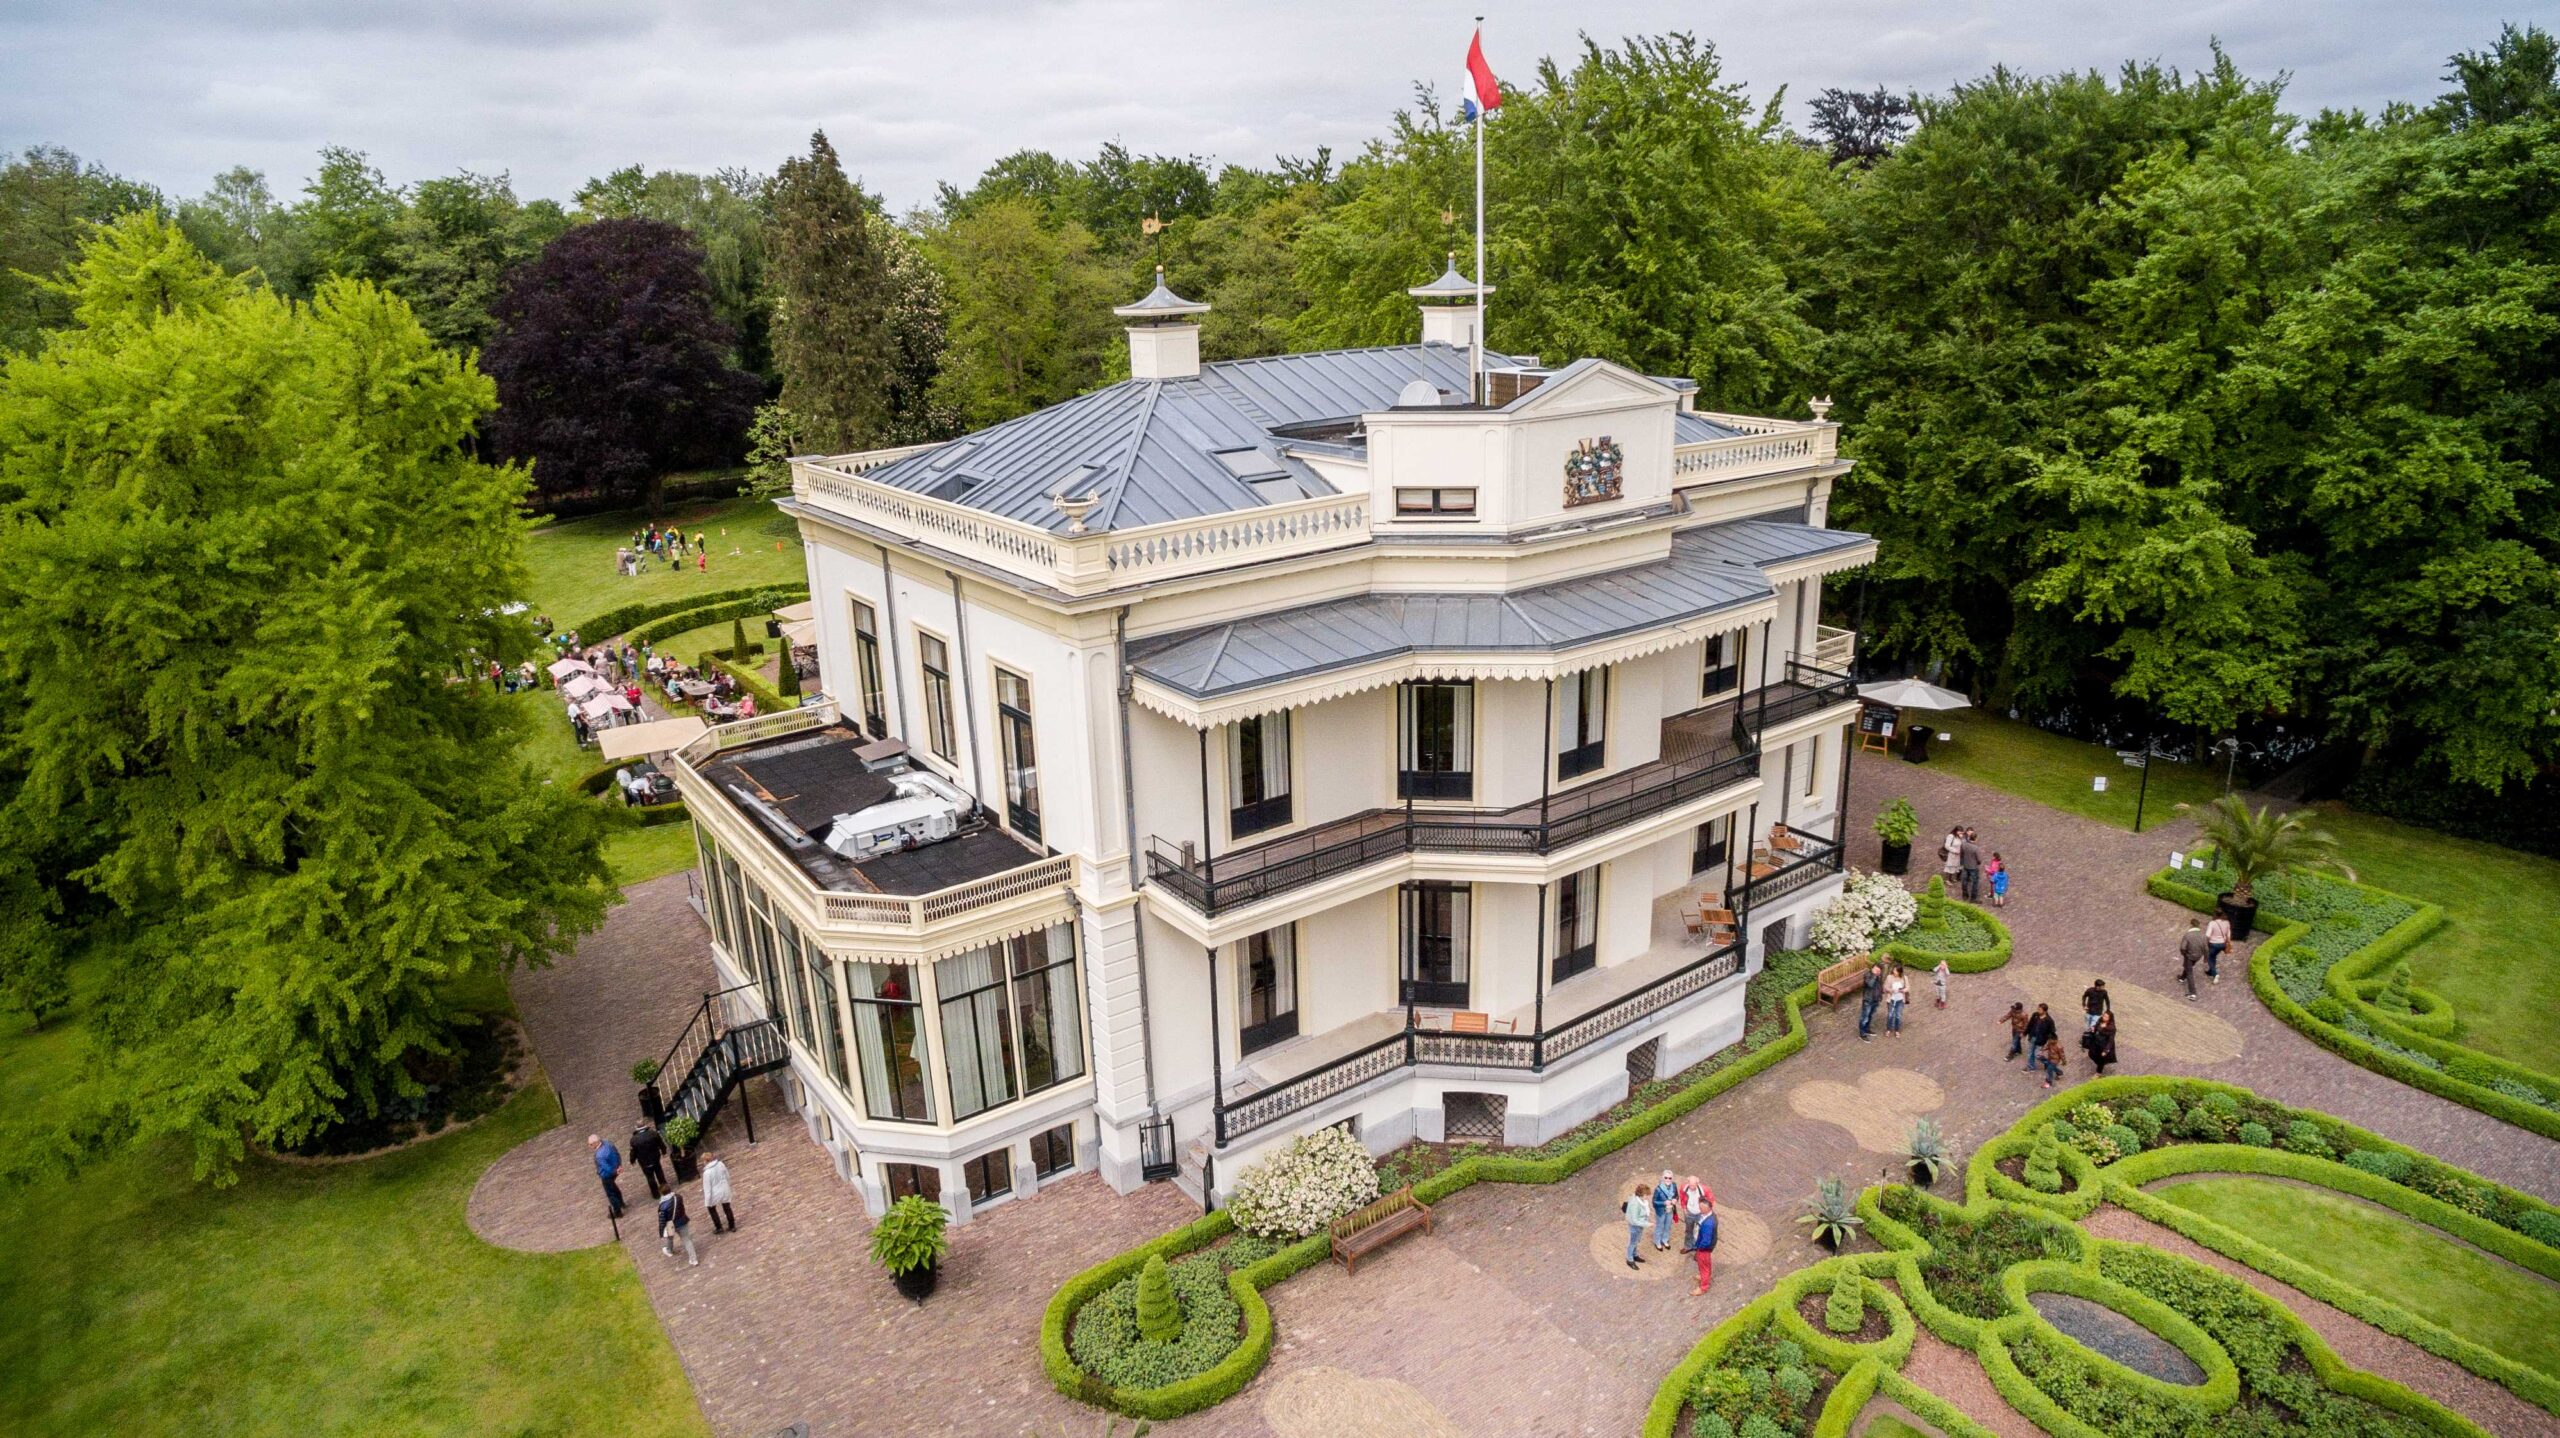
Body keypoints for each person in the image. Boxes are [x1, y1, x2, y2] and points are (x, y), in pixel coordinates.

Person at [1690, 1186, 1719, 1295]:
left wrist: (1699, 1248)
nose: (1699, 1209)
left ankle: (1703, 1287)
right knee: (1705, 1265)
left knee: (1704, 1266)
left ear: (1708, 1208)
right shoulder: (1709, 1216)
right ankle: (1704, 1277)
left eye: (1701, 1208)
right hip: (1704, 1246)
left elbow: (1706, 1241)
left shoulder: (1708, 1223)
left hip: (1704, 1248)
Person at [589, 1134, 626, 1218]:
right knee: (614, 1188)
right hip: (615, 1169)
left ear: (596, 1143)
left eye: (591, 1144)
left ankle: (617, 1212)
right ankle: (621, 1203)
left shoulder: (599, 1155)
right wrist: (619, 1165)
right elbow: (617, 1153)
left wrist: (614, 1171)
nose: (590, 1146)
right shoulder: (608, 1143)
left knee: (611, 1194)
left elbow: (606, 1167)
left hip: (607, 1175)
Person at [629, 1121, 668, 1199]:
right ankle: (665, 1190)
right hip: (655, 1158)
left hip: (644, 1162)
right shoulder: (653, 1133)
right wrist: (664, 1151)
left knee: (650, 1178)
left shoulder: (634, 1139)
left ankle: (656, 1194)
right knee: (659, 1173)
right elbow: (661, 1143)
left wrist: (632, 1160)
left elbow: (633, 1152)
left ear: (636, 1128)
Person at [658, 1190, 699, 1266]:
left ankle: (669, 1250)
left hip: (671, 1225)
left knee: (669, 1238)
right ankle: (694, 1260)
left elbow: (662, 1220)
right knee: (687, 1240)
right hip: (682, 1222)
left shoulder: (662, 1205)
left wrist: (661, 1233)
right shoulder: (678, 1197)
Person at [702, 1155, 737, 1233]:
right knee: (727, 1207)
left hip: (715, 1192)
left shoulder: (707, 1173)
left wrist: (707, 1200)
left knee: (712, 1209)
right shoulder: (721, 1164)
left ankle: (718, 1227)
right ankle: (732, 1225)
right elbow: (727, 1176)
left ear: (706, 1161)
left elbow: (707, 1188)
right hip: (724, 1188)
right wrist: (728, 1185)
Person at [1622, 1184, 1652, 1269]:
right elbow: (1635, 1220)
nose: (1647, 1197)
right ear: (1642, 1195)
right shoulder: (1635, 1204)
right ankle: (1630, 1259)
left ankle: (1634, 1255)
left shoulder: (1638, 1199)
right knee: (1632, 1242)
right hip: (1635, 1226)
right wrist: (1647, 1224)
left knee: (1635, 1241)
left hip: (1639, 1225)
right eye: (1646, 1195)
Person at [2023, 1004, 2058, 1073]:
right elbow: (2030, 1025)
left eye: (2039, 1009)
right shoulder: (2035, 1015)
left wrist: (2052, 1041)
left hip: (2041, 1040)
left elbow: (2052, 1032)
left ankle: (2047, 1063)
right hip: (2032, 1037)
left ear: (2044, 1011)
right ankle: (2031, 1067)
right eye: (2038, 1009)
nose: (2037, 1010)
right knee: (2030, 1053)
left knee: (2037, 1055)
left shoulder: (2049, 1021)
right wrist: (2025, 1033)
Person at [2177, 921, 2208, 1000]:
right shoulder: (2203, 936)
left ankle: (2193, 993)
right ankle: (2182, 978)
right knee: (2188, 966)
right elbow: (2206, 948)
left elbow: (2182, 948)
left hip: (2189, 956)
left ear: (2191, 925)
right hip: (2198, 956)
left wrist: (2184, 954)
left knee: (2190, 972)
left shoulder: (2187, 935)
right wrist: (2205, 958)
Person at [1678, 1174, 1709, 1252]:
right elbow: (1682, 1198)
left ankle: (1697, 1247)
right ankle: (1688, 1246)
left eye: (1693, 1185)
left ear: (1697, 1184)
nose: (1691, 1187)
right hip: (1689, 1212)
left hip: (1700, 1213)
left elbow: (1710, 1200)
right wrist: (1684, 1208)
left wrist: (1706, 1211)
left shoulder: (1704, 1190)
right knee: (1688, 1230)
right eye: (1690, 1185)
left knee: (1699, 1231)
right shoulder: (1683, 1188)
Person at [1650, 1169, 1679, 1252]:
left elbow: (1677, 1196)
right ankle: (1657, 1241)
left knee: (1668, 1225)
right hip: (1661, 1211)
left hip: (1670, 1210)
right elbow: (1654, 1202)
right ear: (1663, 1178)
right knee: (1660, 1226)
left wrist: (1675, 1200)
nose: (1668, 1180)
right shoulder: (1658, 1189)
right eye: (1666, 1177)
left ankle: (1665, 1239)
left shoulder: (1674, 1185)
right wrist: (1664, 1203)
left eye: (1670, 1178)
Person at [1857, 961, 1884, 1043]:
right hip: (1868, 1000)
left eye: (1879, 970)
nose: (1877, 971)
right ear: (1873, 968)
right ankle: (1862, 1034)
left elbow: (1879, 986)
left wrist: (1880, 996)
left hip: (1875, 999)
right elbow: (1870, 984)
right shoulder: (1867, 975)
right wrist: (1875, 975)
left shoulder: (1879, 975)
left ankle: (1867, 1029)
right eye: (1876, 969)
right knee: (1864, 1017)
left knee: (1870, 1015)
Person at [2204, 912, 2231, 984]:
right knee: (2213, 956)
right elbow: (2228, 935)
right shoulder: (2227, 922)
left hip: (2213, 944)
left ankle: (2215, 974)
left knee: (2210, 958)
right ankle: (2210, 971)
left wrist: (2206, 944)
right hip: (2222, 944)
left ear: (2215, 915)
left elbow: (2208, 935)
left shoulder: (2212, 923)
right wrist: (2228, 943)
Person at [1958, 829, 1984, 903]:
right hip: (1973, 867)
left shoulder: (1963, 845)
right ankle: (1973, 898)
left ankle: (1965, 895)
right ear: (1975, 839)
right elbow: (1979, 860)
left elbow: (1961, 854)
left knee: (1964, 881)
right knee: (1975, 882)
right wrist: (1978, 863)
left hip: (1965, 865)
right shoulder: (1976, 848)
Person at [1883, 965, 1910, 1037]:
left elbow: (1908, 987)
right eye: (1894, 970)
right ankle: (1889, 1029)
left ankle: (1897, 1030)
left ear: (1899, 972)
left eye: (1896, 971)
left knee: (1898, 1016)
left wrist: (1902, 990)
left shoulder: (1904, 978)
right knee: (1890, 1015)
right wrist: (1891, 990)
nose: (1894, 972)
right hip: (1891, 999)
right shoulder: (1889, 977)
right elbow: (1885, 987)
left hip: (1900, 1000)